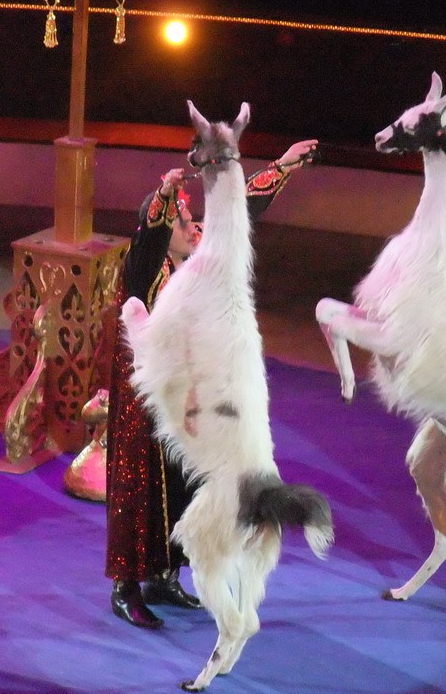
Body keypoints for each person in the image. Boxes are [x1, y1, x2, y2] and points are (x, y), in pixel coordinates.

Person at [105, 138, 319, 629]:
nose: (193, 226)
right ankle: (126, 585)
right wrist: (163, 197)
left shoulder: (196, 258)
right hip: (145, 396)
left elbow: (238, 215)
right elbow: (147, 240)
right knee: (143, 489)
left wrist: (282, 166)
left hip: (189, 396)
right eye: (182, 221)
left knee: (183, 483)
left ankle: (163, 576)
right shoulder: (144, 267)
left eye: (188, 218)